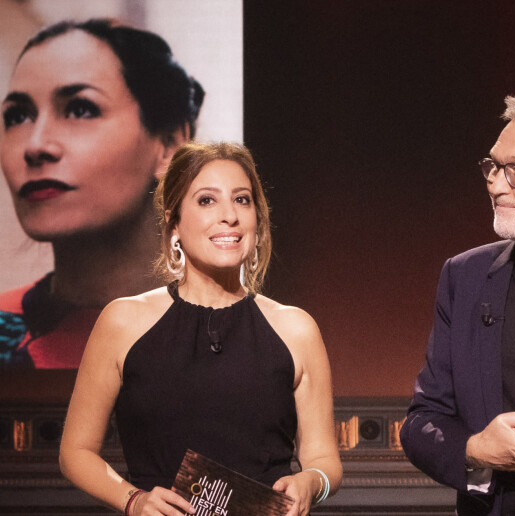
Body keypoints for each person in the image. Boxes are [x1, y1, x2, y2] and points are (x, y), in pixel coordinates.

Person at [59, 142, 342, 516]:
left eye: (242, 200)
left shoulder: (295, 329)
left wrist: (312, 483)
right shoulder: (123, 322)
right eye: (207, 201)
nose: (230, 216)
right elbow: (74, 452)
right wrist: (134, 500)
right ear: (174, 222)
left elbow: (325, 460)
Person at [400, 91, 515, 515]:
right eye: (493, 167)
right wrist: (476, 449)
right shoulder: (466, 277)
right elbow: (422, 422)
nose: (496, 184)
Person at [0, 19, 204, 369]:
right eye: (17, 116)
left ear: (170, 144)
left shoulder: (239, 331)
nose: (35, 146)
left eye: (80, 109)